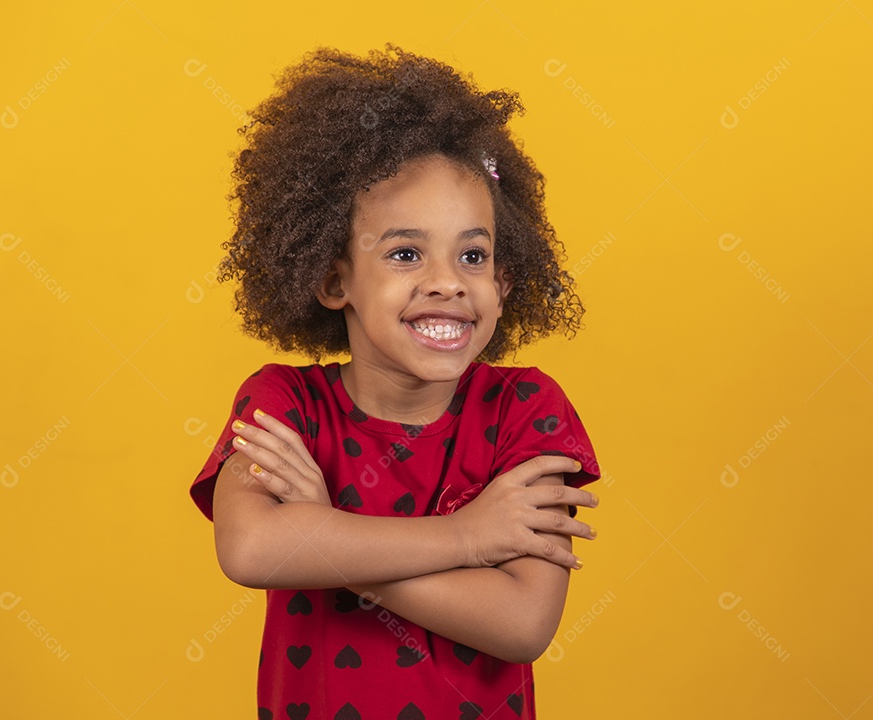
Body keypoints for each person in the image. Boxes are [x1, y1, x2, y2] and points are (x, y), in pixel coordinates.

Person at [189, 44, 601, 720]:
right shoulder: (282, 404)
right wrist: (468, 539)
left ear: (502, 281)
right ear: (332, 279)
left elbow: (523, 623)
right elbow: (252, 547)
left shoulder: (528, 409)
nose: (446, 281)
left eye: (473, 254)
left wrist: (324, 534)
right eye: (406, 253)